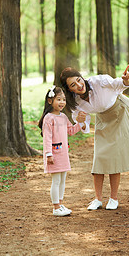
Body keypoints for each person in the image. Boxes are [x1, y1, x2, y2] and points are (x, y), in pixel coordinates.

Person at [60, 66, 129, 210]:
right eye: (73, 85)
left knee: (114, 157)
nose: (79, 85)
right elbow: (83, 125)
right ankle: (98, 199)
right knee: (99, 157)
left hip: (120, 112)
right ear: (70, 90)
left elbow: (119, 84)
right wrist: (81, 121)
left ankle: (113, 198)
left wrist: (126, 80)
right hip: (103, 119)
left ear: (82, 77)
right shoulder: (75, 103)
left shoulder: (99, 81)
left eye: (78, 80)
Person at [38, 85, 85, 216]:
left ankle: (60, 203)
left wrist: (80, 123)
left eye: (63, 99)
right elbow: (47, 137)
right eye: (59, 99)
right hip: (53, 153)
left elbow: (70, 131)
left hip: (63, 153)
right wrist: (48, 154)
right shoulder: (48, 118)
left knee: (63, 179)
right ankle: (55, 207)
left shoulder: (63, 117)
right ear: (50, 101)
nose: (62, 102)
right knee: (56, 180)